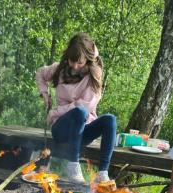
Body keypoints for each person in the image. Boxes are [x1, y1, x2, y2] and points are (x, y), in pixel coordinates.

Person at [36, 32, 117, 184]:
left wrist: (54, 111)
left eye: (79, 63)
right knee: (79, 113)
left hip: (82, 132)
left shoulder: (94, 77)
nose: (74, 66)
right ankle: (72, 165)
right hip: (62, 129)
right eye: (71, 61)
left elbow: (83, 106)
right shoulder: (60, 69)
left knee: (110, 120)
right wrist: (45, 95)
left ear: (88, 59)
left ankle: (103, 173)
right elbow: (40, 73)